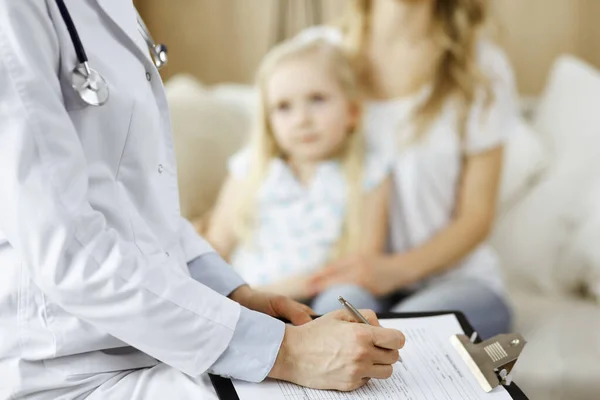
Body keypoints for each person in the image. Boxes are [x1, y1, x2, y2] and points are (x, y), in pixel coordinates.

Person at [0, 2, 404, 399]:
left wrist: (233, 295)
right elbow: (68, 248)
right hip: (71, 369)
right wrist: (285, 351)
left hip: (161, 341)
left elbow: (138, 203)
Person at [302, 0, 519, 339]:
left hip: (458, 280)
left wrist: (392, 271)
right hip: (353, 276)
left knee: (403, 339)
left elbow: (477, 216)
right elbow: (265, 165)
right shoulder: (316, 54)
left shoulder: (481, 67)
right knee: (336, 329)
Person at [204, 37, 390, 312]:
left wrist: (306, 287)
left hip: (324, 297)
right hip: (251, 299)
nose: (302, 119)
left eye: (317, 99)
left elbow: (362, 261)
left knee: (352, 299)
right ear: (269, 121)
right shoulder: (251, 169)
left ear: (352, 111)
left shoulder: (369, 174)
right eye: (284, 107)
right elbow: (216, 247)